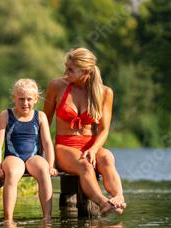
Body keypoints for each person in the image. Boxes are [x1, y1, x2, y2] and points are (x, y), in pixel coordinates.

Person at [43, 47, 126, 215]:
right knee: (85, 166)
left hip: (91, 145)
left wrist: (93, 150)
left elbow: (104, 130)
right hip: (64, 146)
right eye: (66, 67)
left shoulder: (105, 92)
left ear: (86, 71)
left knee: (108, 157)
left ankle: (119, 198)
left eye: (71, 69)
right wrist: (45, 156)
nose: (65, 72)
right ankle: (103, 203)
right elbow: (43, 122)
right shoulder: (56, 86)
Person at [0, 79, 56, 221]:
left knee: (43, 170)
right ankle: (8, 219)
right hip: (13, 157)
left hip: (34, 157)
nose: (25, 103)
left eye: (29, 99)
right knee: (13, 173)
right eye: (21, 99)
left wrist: (51, 165)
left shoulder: (40, 116)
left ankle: (47, 217)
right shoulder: (6, 115)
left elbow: (47, 142)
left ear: (36, 99)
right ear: (14, 98)